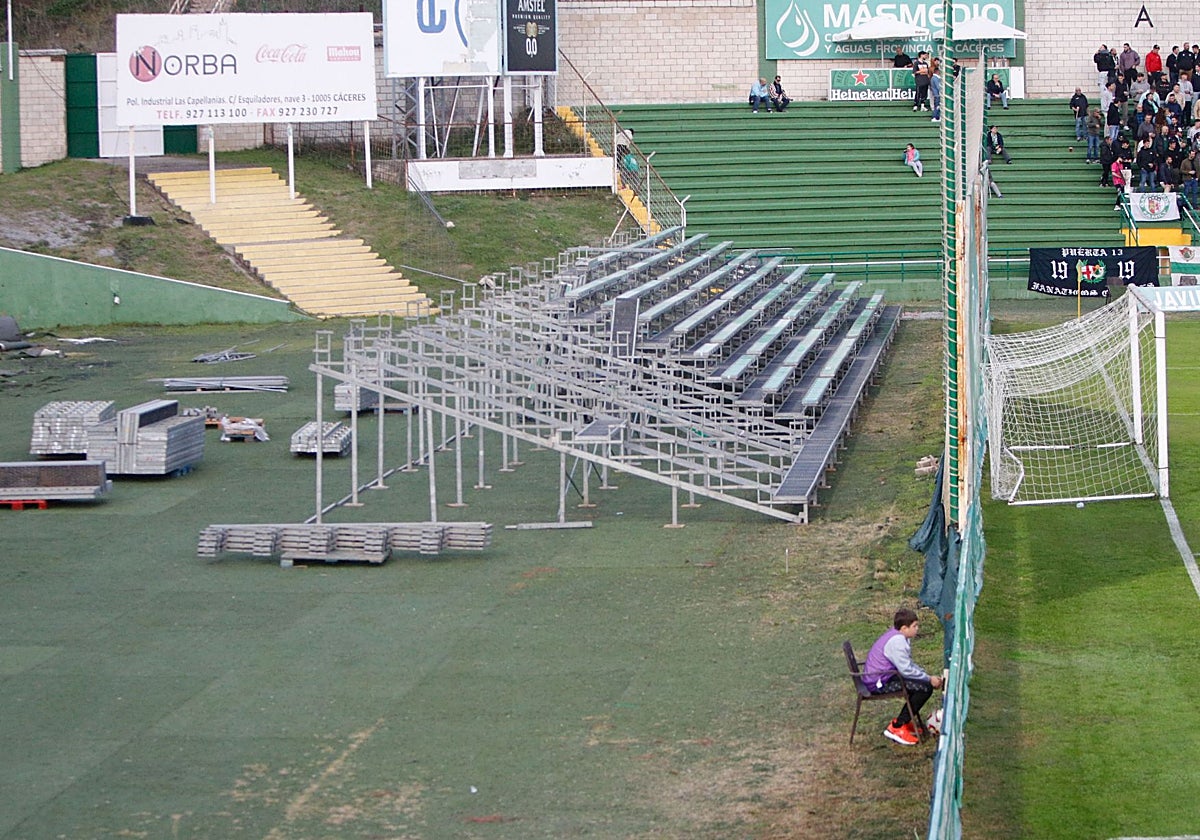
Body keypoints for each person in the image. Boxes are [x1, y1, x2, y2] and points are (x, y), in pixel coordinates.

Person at [863, 608, 944, 746]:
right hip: (878, 683)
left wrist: (926, 676)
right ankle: (897, 726)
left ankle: (904, 721)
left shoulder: (899, 636)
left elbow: (908, 665)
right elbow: (906, 670)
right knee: (924, 689)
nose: (917, 629)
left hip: (885, 676)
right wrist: (929, 679)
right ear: (904, 628)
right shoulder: (898, 642)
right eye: (915, 626)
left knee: (923, 685)